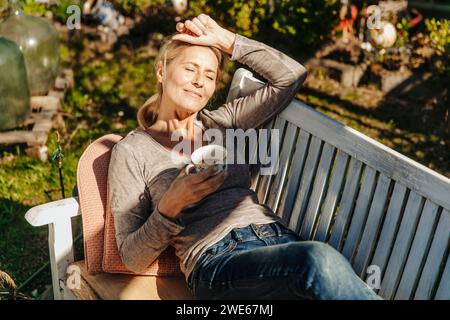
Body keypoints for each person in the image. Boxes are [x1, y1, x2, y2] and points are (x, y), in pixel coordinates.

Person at [108, 14, 381, 300]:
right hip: (219, 262)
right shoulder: (131, 151)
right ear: (161, 71)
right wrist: (169, 207)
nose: (200, 82)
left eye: (210, 75)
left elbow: (291, 76)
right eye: (190, 69)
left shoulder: (224, 123)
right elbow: (131, 257)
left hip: (278, 244)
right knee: (318, 260)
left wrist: (227, 40)